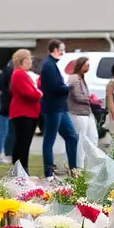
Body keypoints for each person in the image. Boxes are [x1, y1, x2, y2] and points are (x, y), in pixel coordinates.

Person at [39, 40, 79, 177]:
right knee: (49, 139)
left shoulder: (53, 65)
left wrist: (65, 87)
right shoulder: (48, 66)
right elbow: (52, 88)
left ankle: (74, 169)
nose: (64, 51)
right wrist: (68, 87)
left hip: (61, 107)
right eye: (62, 49)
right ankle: (49, 171)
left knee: (72, 136)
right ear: (55, 49)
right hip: (53, 108)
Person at [8, 48, 42, 171]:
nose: (30, 62)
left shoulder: (24, 74)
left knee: (25, 143)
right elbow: (29, 93)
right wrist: (39, 94)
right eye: (28, 59)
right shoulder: (19, 73)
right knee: (22, 143)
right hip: (23, 113)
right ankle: (20, 169)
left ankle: (22, 169)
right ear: (22, 61)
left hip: (29, 113)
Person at [65, 56, 98, 166]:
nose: (88, 67)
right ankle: (79, 165)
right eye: (86, 65)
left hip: (86, 112)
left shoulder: (82, 78)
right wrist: (89, 99)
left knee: (92, 137)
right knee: (81, 139)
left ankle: (89, 163)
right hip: (77, 112)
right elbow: (77, 96)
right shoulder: (74, 78)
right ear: (80, 65)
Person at [0, 61, 15, 163]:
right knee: (6, 132)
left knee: (1, 132)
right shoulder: (12, 74)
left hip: (2, 104)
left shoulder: (2, 74)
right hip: (9, 105)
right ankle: (3, 154)